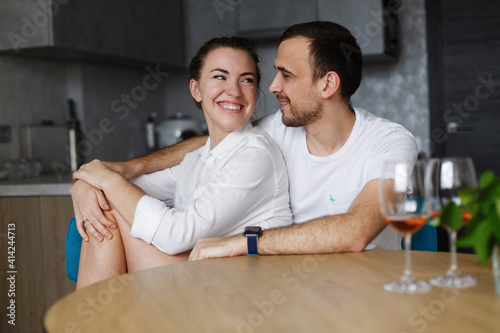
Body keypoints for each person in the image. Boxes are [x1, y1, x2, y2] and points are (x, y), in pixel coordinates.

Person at [72, 21, 417, 261]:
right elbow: (214, 144)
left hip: (365, 291)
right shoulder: (279, 130)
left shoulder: (390, 143)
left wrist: (244, 243)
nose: (272, 87)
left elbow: (357, 231)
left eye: (287, 75)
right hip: (293, 286)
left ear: (327, 85)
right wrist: (117, 172)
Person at [71, 36, 292, 288]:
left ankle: (86, 322)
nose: (234, 91)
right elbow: (121, 188)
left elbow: (175, 235)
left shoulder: (255, 155)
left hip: (245, 290)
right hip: (209, 281)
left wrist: (103, 179)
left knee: (114, 205)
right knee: (112, 202)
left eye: (247, 80)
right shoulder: (198, 159)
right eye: (220, 77)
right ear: (196, 89)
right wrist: (84, 186)